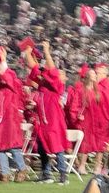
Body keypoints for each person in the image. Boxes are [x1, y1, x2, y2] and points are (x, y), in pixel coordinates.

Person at [25, 42, 68, 185]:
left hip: (54, 120)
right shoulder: (43, 85)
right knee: (42, 147)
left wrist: (47, 51)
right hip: (42, 121)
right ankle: (47, 174)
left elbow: (53, 69)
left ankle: (63, 175)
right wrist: (28, 51)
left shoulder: (57, 85)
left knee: (58, 148)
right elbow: (34, 67)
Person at [0, 48, 27, 182]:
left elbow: (5, 75)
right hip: (0, 119)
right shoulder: (0, 88)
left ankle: (22, 168)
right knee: (0, 147)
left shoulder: (14, 84)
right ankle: (5, 173)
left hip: (11, 119)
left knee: (13, 146)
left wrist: (3, 60)